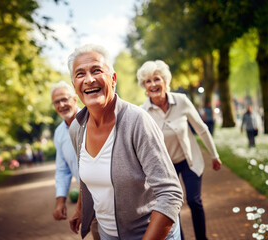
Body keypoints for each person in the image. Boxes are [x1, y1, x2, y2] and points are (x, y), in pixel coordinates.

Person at [67, 44, 184, 240]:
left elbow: (170, 194)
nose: (89, 79)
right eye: (80, 74)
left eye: (96, 70)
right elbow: (89, 178)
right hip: (107, 235)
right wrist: (80, 208)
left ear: (113, 79)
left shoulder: (137, 121)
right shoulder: (77, 129)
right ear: (75, 86)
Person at [137, 60, 222, 240]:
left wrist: (214, 155)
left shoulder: (181, 101)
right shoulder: (142, 112)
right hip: (165, 168)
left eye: (157, 79)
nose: (153, 84)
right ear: (144, 86)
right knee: (171, 207)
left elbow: (201, 128)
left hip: (189, 160)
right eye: (148, 81)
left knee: (193, 200)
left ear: (165, 81)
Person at [50, 81, 100, 240]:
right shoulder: (59, 133)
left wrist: (80, 207)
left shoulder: (92, 120)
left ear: (75, 99)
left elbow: (91, 168)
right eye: (57, 102)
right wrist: (60, 202)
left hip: (103, 192)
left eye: (65, 99)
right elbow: (63, 169)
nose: (62, 105)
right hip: (85, 196)